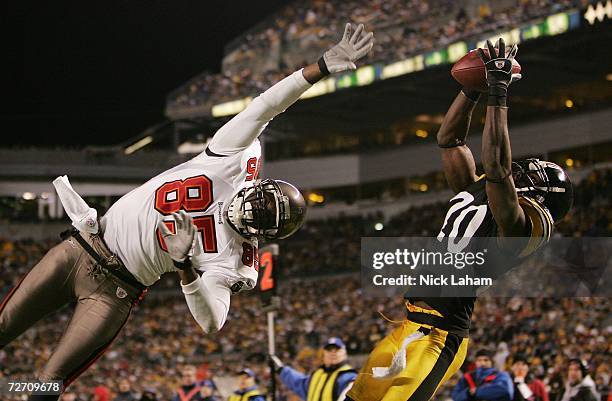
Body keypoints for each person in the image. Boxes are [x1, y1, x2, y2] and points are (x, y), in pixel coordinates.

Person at [0, 22, 374, 401]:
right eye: (259, 202)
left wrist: (184, 266)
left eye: (260, 218)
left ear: (264, 235)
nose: (250, 211)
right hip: (79, 249)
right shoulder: (236, 158)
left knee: (48, 383)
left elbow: (212, 321)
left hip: (114, 292)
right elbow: (265, 106)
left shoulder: (236, 257)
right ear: (259, 184)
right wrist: (319, 68)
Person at [346, 37, 573, 401]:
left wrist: (498, 90)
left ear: (543, 199)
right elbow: (449, 141)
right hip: (410, 325)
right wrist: (471, 89)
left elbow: (499, 169)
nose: (522, 171)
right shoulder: (482, 189)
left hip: (439, 336)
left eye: (532, 176)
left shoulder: (525, 226)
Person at [270, 337, 357, 401]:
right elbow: (298, 383)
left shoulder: (350, 378)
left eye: (337, 349)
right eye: (329, 350)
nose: (333, 353)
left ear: (344, 353)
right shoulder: (317, 375)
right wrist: (281, 369)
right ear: (323, 354)